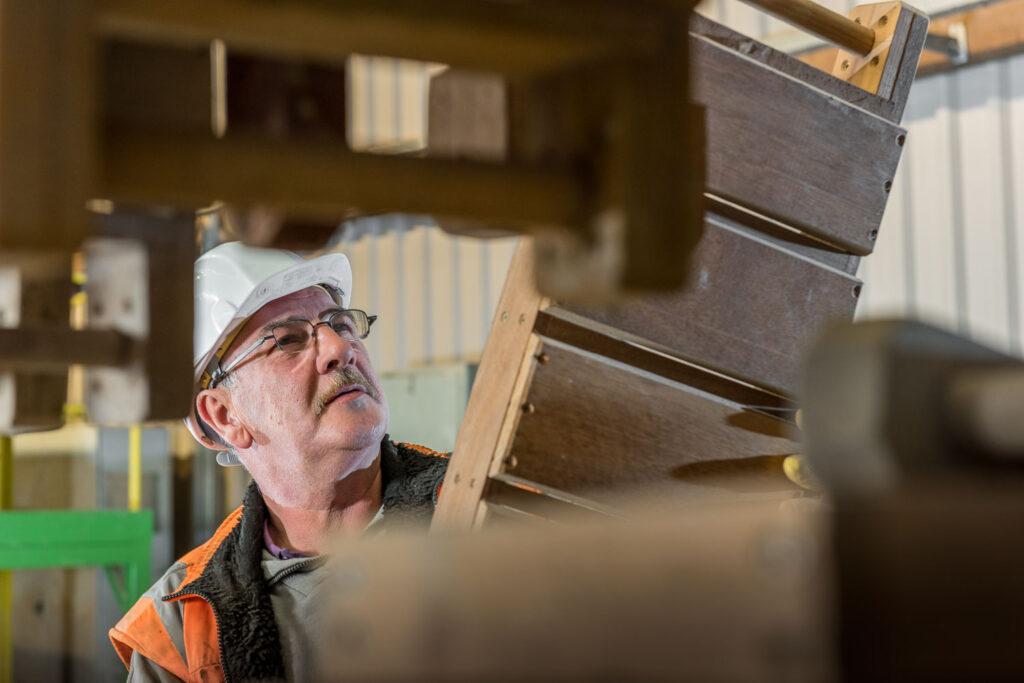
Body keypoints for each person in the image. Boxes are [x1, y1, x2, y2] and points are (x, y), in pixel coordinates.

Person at [109, 242, 448, 682]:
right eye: (288, 340)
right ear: (225, 416)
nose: (339, 349)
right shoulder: (180, 624)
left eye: (341, 324)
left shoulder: (490, 501)